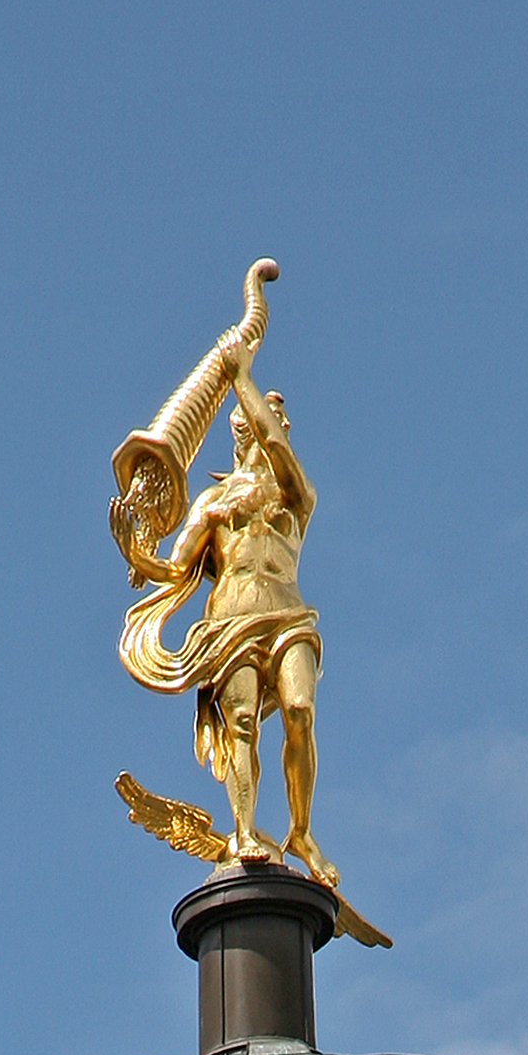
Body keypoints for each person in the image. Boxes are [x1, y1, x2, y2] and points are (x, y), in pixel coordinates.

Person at [121, 355, 337, 886]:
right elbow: (175, 567)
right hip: (230, 622)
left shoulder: (294, 494)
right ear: (238, 433)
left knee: (300, 710)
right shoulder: (214, 502)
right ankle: (244, 831)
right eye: (260, 421)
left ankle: (301, 831)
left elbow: (282, 454)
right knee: (240, 725)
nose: (270, 429)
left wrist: (239, 374)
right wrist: (136, 548)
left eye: (273, 421)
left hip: (287, 613)